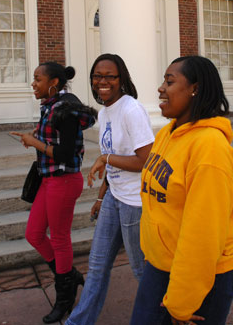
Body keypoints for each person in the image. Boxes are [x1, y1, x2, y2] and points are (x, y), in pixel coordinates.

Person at [130, 56, 233, 325]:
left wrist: (181, 302)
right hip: (160, 266)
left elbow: (203, 235)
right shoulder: (167, 133)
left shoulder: (210, 149)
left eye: (169, 82)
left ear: (195, 88)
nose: (160, 88)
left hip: (200, 279)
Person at [66, 53, 154, 325]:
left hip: (135, 204)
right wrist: (101, 197)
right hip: (114, 198)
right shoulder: (104, 113)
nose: (102, 81)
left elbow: (145, 161)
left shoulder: (131, 109)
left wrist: (105, 159)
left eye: (109, 76)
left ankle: (167, 316)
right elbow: (114, 161)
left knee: (142, 272)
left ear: (121, 79)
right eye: (97, 76)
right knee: (97, 267)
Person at [11, 62, 97, 324]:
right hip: (49, 180)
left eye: (38, 79)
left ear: (54, 83)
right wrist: (38, 136)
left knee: (59, 238)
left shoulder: (66, 110)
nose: (33, 83)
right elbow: (54, 140)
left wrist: (34, 141)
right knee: (34, 234)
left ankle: (64, 297)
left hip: (64, 181)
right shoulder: (50, 105)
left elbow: (64, 152)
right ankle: (69, 276)